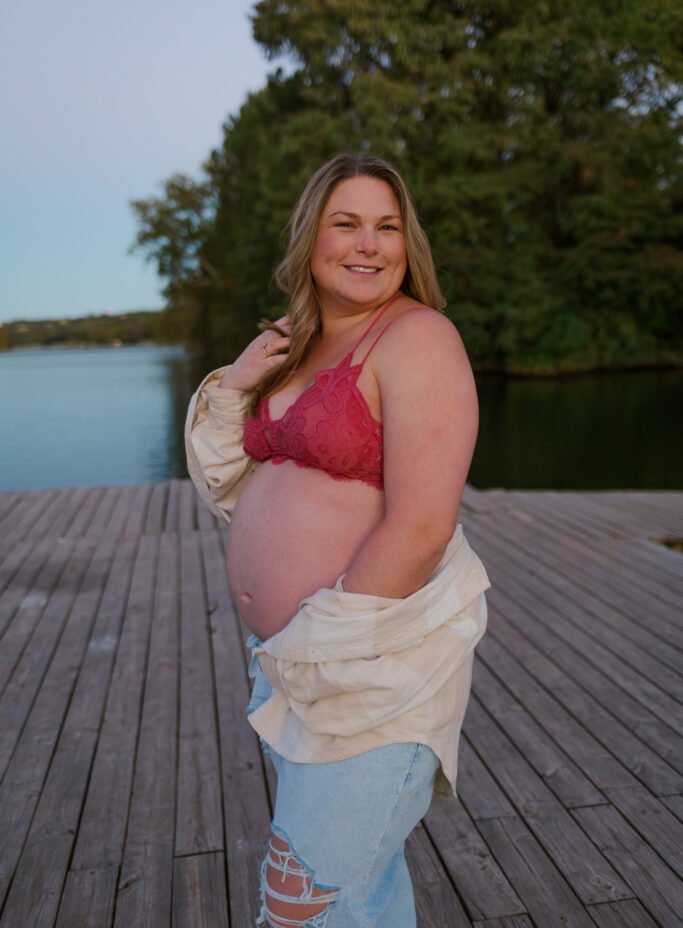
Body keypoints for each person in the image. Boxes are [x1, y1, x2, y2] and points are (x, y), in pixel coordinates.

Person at [185, 153, 490, 928]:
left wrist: (317, 640)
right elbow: (232, 482)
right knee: (359, 890)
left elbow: (421, 525)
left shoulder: (417, 338)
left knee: (302, 903)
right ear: (309, 239)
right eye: (345, 223)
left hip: (368, 669)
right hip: (294, 669)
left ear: (406, 243)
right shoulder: (304, 341)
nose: (368, 243)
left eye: (387, 226)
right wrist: (238, 382)